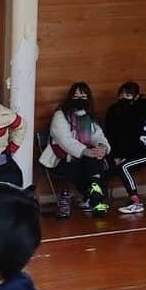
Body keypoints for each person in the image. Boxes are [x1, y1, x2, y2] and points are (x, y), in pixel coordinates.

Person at [39, 82, 111, 219]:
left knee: (95, 161)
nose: (79, 98)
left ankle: (93, 194)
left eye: (83, 95)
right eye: (76, 95)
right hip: (61, 158)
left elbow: (98, 136)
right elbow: (65, 141)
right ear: (70, 97)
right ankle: (95, 197)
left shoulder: (89, 117)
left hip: (84, 158)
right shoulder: (60, 115)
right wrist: (86, 151)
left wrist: (102, 148)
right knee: (85, 167)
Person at [104, 80, 146, 215]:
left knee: (124, 167)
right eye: (122, 95)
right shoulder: (113, 111)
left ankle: (136, 201)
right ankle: (96, 198)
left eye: (128, 95)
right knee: (104, 166)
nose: (124, 98)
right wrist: (115, 156)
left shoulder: (143, 111)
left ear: (136, 96)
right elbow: (109, 135)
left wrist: (127, 156)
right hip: (119, 154)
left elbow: (145, 134)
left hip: (142, 153)